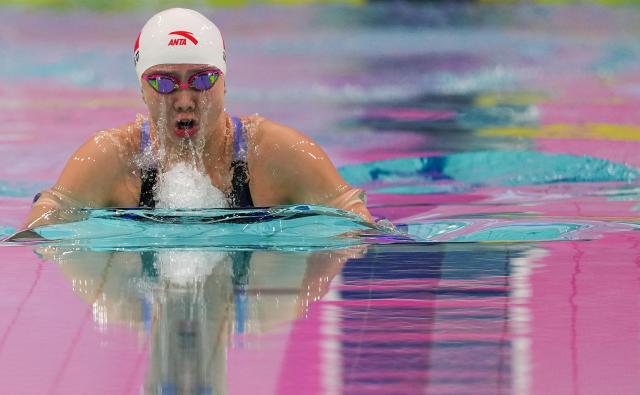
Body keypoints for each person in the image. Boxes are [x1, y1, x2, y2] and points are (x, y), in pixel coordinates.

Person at [19, 7, 372, 232]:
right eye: (164, 82)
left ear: (225, 81)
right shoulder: (110, 157)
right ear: (142, 88)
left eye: (202, 79)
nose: (184, 99)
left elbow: (354, 218)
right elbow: (42, 223)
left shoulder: (278, 153)